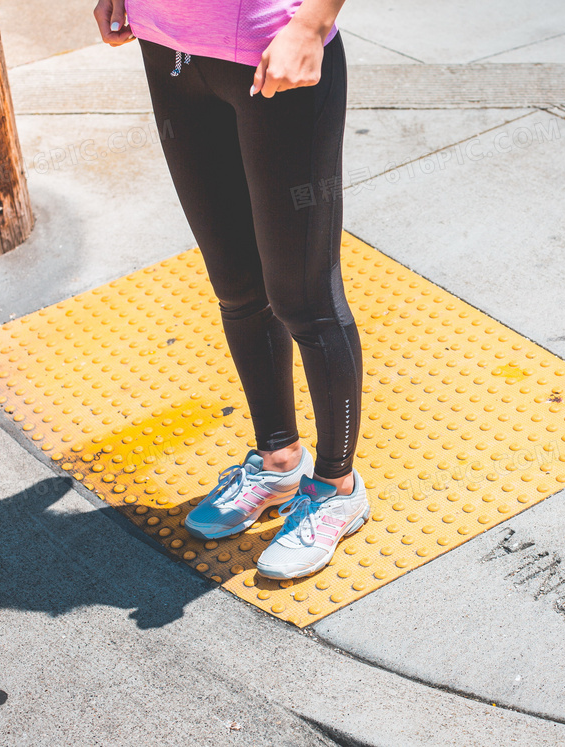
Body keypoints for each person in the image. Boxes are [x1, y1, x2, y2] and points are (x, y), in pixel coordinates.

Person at [93, 0, 368, 580]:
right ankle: (279, 461)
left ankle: (338, 489)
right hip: (167, 46)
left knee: (304, 298)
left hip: (275, 51)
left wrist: (313, 23)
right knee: (237, 286)